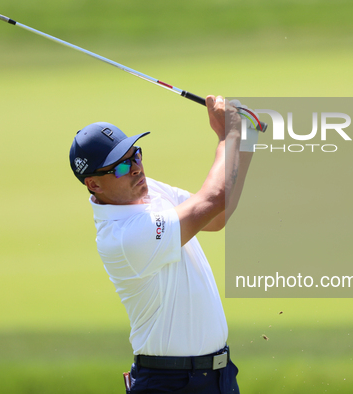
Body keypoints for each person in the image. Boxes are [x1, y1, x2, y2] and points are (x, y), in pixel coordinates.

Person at [68, 95, 258, 393]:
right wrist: (227, 135)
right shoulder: (124, 236)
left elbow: (217, 217)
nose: (134, 168)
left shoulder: (147, 189)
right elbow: (212, 198)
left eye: (135, 155)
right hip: (171, 384)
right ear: (94, 184)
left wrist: (245, 141)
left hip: (218, 377)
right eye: (118, 167)